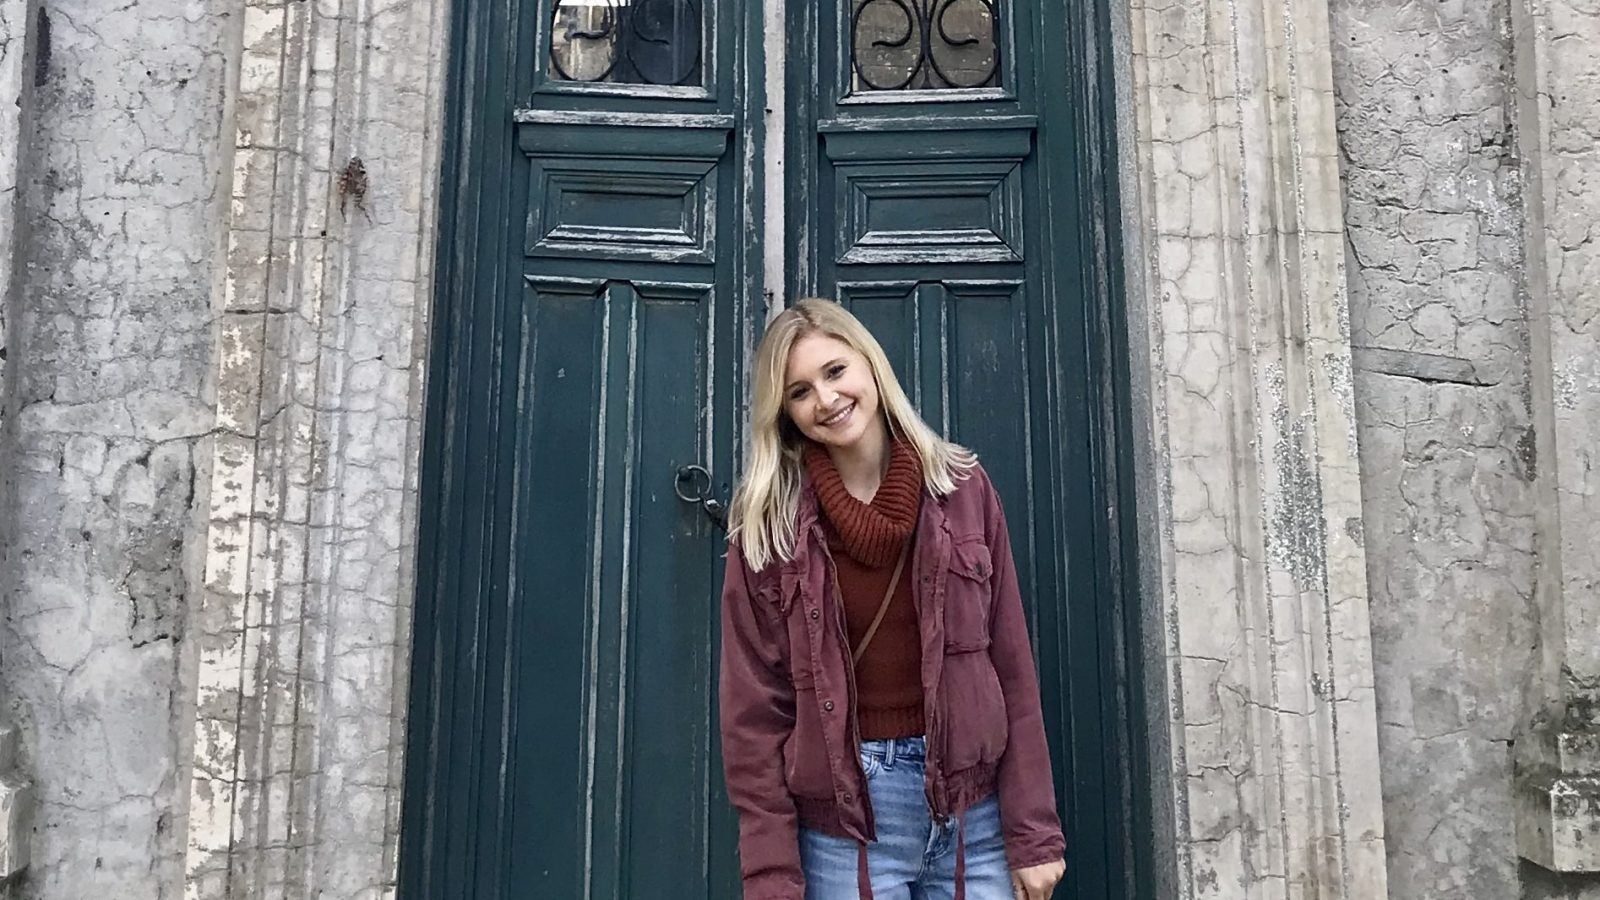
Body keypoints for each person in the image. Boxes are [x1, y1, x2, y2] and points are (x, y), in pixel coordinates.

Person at [718, 298, 1067, 900]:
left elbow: (1012, 666)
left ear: (870, 366)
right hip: (847, 824)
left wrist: (1033, 832)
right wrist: (771, 874)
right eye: (799, 392)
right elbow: (753, 713)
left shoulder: (962, 489)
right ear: (786, 414)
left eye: (834, 372)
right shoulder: (769, 527)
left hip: (972, 815)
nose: (826, 400)